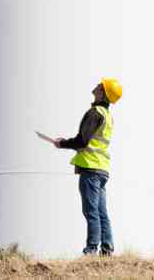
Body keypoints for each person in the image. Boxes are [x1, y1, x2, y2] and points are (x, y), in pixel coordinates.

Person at [53, 78, 123, 256]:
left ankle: (91, 249)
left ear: (103, 94)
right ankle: (107, 248)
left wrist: (62, 143)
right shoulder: (107, 116)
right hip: (102, 168)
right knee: (101, 211)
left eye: (101, 86)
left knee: (91, 211)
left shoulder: (95, 113)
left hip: (90, 168)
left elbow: (82, 141)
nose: (97, 86)